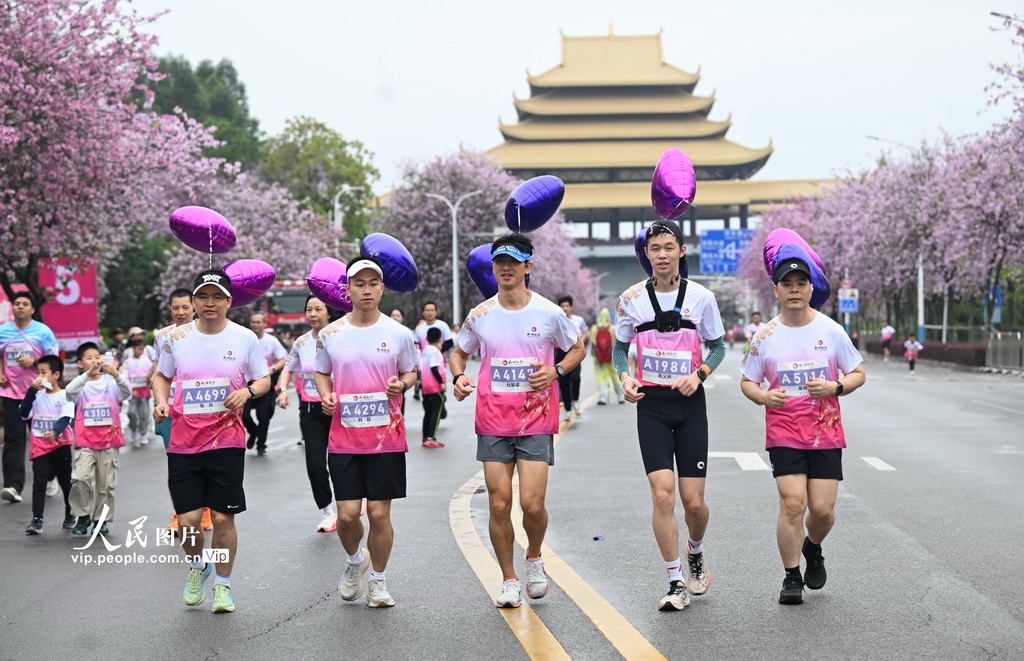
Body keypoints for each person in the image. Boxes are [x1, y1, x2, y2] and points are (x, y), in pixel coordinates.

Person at [450, 232, 585, 609]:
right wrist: (458, 377)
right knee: (497, 504)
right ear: (492, 268)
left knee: (532, 504)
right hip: (493, 419)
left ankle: (535, 558)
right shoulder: (481, 315)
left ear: (528, 266)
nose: (505, 268)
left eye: (513, 261)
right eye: (499, 262)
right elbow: (458, 354)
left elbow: (578, 348)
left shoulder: (548, 313)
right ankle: (509, 579)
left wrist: (555, 371)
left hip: (536, 418)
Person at [613, 220, 726, 612]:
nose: (661, 253)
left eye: (668, 246)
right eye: (654, 247)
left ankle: (695, 550)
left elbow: (719, 347)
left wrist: (700, 375)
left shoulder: (701, 298)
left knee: (693, 503)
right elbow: (618, 349)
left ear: (681, 251)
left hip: (690, 405)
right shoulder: (630, 300)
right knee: (662, 494)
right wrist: (625, 378)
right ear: (646, 254)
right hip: (653, 405)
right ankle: (675, 579)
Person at [739, 257, 865, 606]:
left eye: (801, 283)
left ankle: (813, 547)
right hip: (784, 430)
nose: (794, 289)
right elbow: (747, 381)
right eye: (787, 284)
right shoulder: (764, 335)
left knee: (822, 510)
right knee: (793, 504)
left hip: (825, 430)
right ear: (776, 291)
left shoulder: (831, 330)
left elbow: (857, 373)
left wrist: (835, 387)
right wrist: (763, 395)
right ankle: (791, 576)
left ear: (811, 289)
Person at [153, 269, 270, 614]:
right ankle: (197, 567)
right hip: (184, 441)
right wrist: (161, 400)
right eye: (203, 296)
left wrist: (247, 392)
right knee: (188, 521)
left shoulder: (245, 338)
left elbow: (263, 380)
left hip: (227, 440)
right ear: (193, 301)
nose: (210, 303)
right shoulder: (177, 338)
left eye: (217, 297)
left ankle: (223, 585)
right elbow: (162, 375)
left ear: (229, 302)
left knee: (222, 519)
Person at [314, 256, 418, 608]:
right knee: (346, 516)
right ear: (348, 290)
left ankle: (378, 580)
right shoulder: (331, 334)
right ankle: (355, 560)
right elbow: (322, 372)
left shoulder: (399, 334)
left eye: (373, 283)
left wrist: (400, 385)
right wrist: (327, 395)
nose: (367, 290)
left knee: (378, 513)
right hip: (343, 439)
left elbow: (410, 373)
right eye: (359, 284)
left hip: (385, 438)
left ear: (382, 288)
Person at [277, 295, 341, 533]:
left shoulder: (341, 337)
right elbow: (288, 368)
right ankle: (327, 512)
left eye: (318, 309)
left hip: (339, 409)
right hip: (311, 411)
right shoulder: (301, 342)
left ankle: (355, 500)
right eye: (309, 310)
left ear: (329, 312)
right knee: (315, 463)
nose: (312, 314)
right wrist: (283, 390)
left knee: (341, 461)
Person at [153, 288, 211, 535]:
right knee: (176, 464)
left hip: (201, 405)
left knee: (206, 460)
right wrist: (160, 400)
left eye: (185, 307)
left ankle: (206, 510)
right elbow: (161, 374)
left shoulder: (207, 332)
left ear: (195, 306)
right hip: (172, 409)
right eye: (175, 308)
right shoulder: (163, 336)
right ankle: (180, 514)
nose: (180, 312)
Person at [65, 341, 132, 535]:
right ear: (80, 363)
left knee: (105, 485)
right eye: (89, 358)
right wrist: (87, 375)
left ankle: (101, 520)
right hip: (86, 442)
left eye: (97, 357)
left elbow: (128, 392)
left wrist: (115, 373)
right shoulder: (81, 385)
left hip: (110, 442)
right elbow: (69, 392)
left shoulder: (111, 383)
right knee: (80, 479)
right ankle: (83, 515)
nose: (94, 361)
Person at [0, 292, 59, 504]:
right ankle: (13, 486)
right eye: (17, 304)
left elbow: (52, 362)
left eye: (25, 304)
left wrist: (34, 362)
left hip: (39, 395)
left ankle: (51, 476)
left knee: (43, 439)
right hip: (11, 394)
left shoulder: (43, 332)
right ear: (12, 308)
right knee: (13, 440)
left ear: (32, 309)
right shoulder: (3, 331)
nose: (20, 307)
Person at [18, 354, 75, 534]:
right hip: (40, 446)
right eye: (38, 372)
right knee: (39, 481)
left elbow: (66, 417)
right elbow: (23, 413)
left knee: (65, 482)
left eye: (44, 372)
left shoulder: (65, 395)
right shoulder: (37, 395)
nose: (39, 377)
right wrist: (30, 392)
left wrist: (55, 431)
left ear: (56, 375)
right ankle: (37, 519)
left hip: (60, 445)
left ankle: (70, 512)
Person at [243, 312, 287, 456]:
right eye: (253, 322)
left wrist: (272, 369)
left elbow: (283, 359)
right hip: (248, 384)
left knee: (264, 416)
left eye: (258, 322)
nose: (255, 325)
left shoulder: (272, 341)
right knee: (244, 415)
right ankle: (253, 431)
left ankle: (261, 444)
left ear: (264, 324)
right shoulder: (245, 339)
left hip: (266, 384)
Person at [556, 295, 588, 422]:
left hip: (575, 352)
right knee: (563, 382)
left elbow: (585, 331)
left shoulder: (578, 320)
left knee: (575, 378)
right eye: (562, 306)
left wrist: (582, 342)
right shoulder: (556, 320)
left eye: (567, 306)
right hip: (561, 353)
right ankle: (568, 409)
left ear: (571, 307)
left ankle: (575, 399)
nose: (565, 308)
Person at [122, 338, 154, 446]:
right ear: (133, 348)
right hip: (133, 392)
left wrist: (150, 378)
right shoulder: (128, 362)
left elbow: (153, 372)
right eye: (138, 349)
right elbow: (125, 377)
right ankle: (133, 428)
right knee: (131, 413)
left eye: (142, 349)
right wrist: (131, 389)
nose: (140, 351)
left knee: (144, 414)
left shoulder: (146, 360)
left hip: (144, 391)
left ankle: (143, 434)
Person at [590, 307, 624, 405]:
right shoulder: (613, 328)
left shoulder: (594, 329)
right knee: (615, 376)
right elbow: (616, 343)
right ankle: (621, 396)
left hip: (599, 358)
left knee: (601, 376)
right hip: (612, 357)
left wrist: (595, 357)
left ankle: (602, 398)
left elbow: (593, 345)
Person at [420, 327, 447, 448]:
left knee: (428, 412)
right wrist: (441, 382)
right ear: (440, 339)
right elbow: (434, 368)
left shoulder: (425, 349)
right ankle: (431, 438)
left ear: (426, 338)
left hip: (425, 386)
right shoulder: (435, 351)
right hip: (435, 386)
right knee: (436, 412)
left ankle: (425, 436)